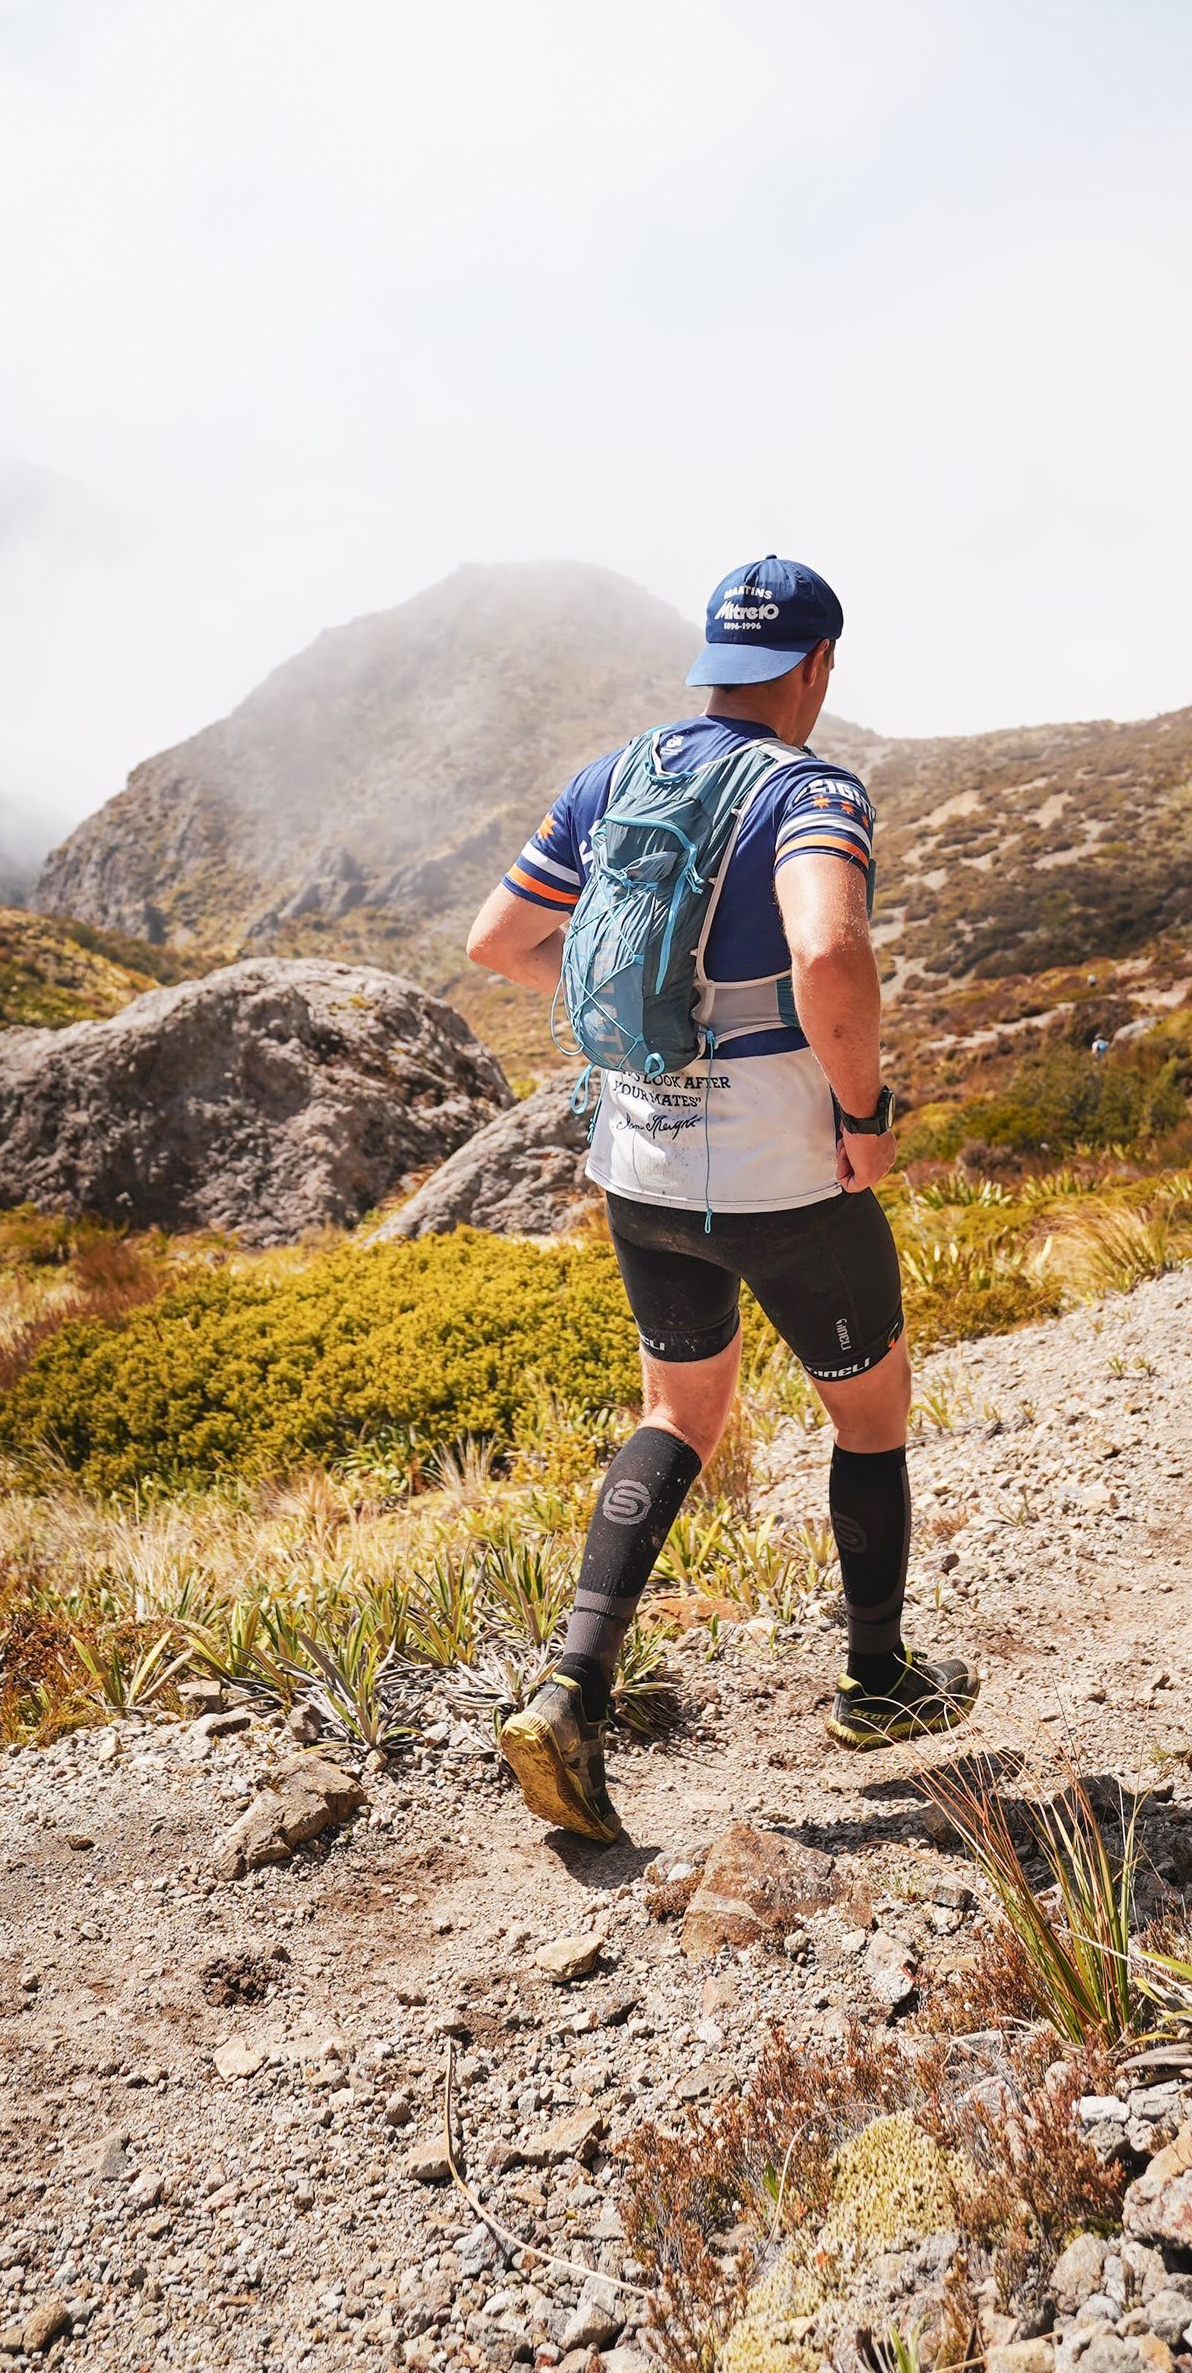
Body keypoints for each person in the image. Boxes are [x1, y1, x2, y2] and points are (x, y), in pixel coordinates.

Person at [464, 554, 977, 1842]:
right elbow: (828, 950)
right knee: (870, 1419)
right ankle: (875, 1686)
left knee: (681, 1411)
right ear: (816, 667)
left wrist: (653, 1028)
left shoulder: (615, 776)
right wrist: (862, 1115)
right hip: (782, 1173)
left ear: (711, 659)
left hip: (638, 1162)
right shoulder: (811, 792)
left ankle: (571, 1685)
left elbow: (500, 944)